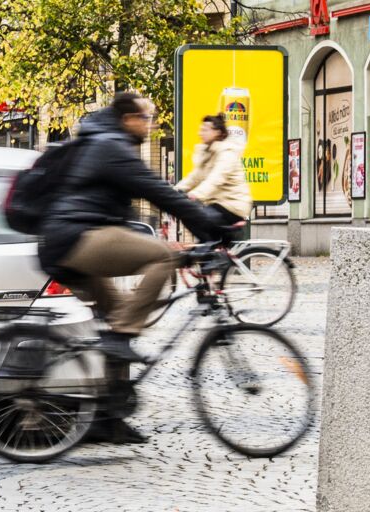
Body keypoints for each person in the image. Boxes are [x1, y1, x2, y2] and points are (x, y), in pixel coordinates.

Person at [36, 92, 224, 442]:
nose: (150, 125)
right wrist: (211, 229)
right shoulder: (111, 147)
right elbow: (161, 193)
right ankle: (120, 336)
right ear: (128, 119)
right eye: (145, 118)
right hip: (75, 239)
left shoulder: (102, 142)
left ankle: (105, 418)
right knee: (161, 258)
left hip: (66, 243)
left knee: (120, 312)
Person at [176, 114, 252, 229]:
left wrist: (195, 194)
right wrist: (173, 192)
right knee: (187, 216)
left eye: (205, 130)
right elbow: (193, 178)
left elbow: (216, 178)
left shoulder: (227, 152)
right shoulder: (207, 153)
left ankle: (225, 237)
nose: (200, 133)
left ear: (217, 132)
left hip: (233, 205)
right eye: (201, 130)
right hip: (216, 204)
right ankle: (214, 244)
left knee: (198, 219)